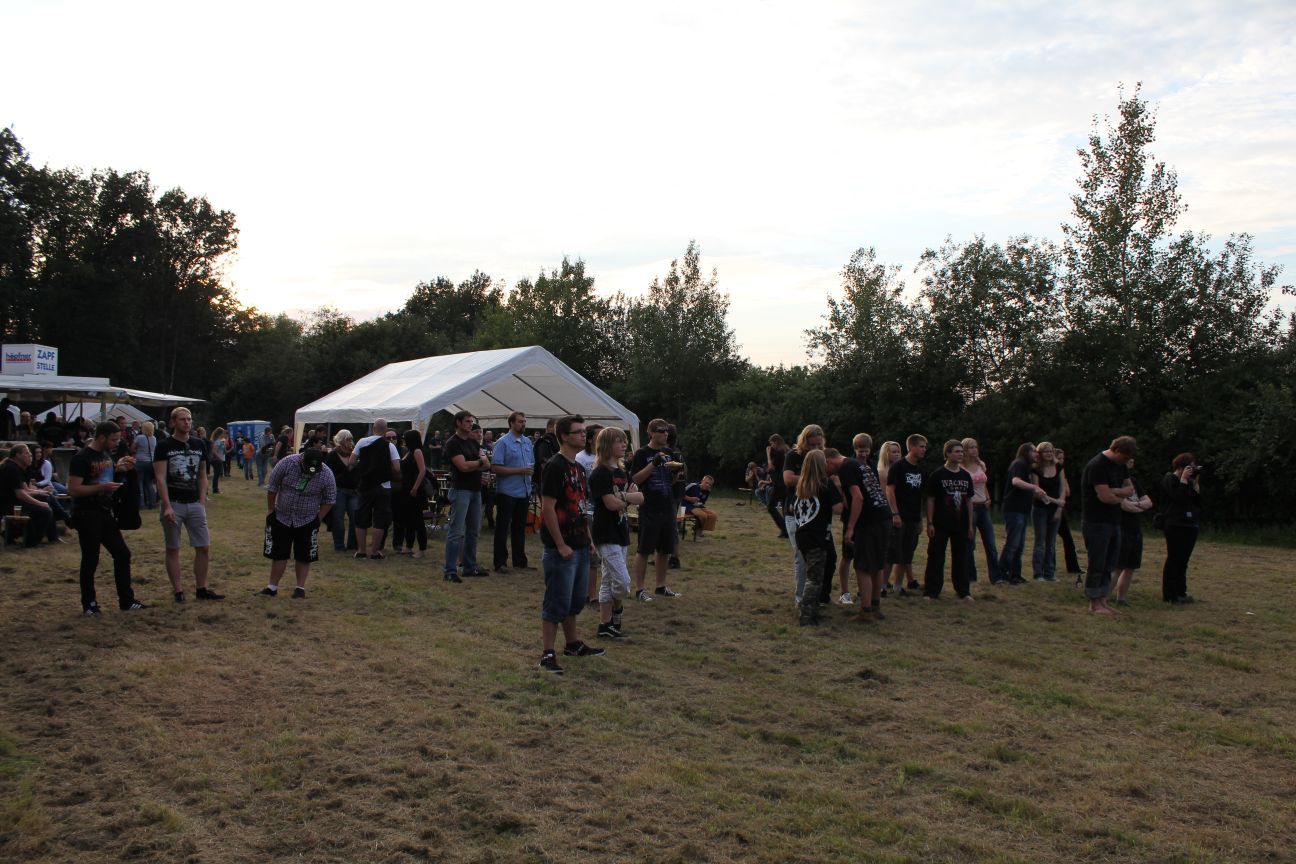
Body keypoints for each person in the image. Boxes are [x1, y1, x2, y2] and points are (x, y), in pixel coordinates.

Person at [537, 415, 605, 673]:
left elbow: (579, 506)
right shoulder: (555, 467)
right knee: (556, 600)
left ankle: (572, 643)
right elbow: (548, 508)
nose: (583, 435)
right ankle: (547, 654)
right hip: (561, 547)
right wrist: (560, 544)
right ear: (564, 436)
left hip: (580, 543)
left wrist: (588, 539)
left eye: (584, 431)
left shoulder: (578, 468)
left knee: (575, 600)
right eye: (578, 432)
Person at [68, 422, 148, 614]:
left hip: (105, 512)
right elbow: (74, 489)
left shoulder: (105, 455)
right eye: (113, 439)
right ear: (101, 437)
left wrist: (119, 468)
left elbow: (105, 475)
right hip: (87, 513)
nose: (116, 443)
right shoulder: (81, 458)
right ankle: (89, 603)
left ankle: (127, 601)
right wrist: (101, 488)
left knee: (122, 553)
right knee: (91, 559)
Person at [154, 407, 223, 603]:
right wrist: (167, 505)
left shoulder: (198, 444)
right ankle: (178, 591)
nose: (187, 422)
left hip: (194, 503)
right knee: (173, 548)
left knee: (203, 547)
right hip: (174, 503)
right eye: (182, 419)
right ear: (173, 422)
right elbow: (160, 478)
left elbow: (202, 474)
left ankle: (201, 589)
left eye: (189, 419)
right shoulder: (164, 445)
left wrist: (201, 500)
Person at [259, 443, 336, 599]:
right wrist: (271, 510)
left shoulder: (326, 474)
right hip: (282, 517)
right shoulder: (287, 463)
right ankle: (272, 587)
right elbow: (273, 487)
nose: (310, 473)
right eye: (307, 469)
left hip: (308, 519)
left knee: (304, 555)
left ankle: (300, 588)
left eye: (314, 470)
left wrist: (318, 518)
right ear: (302, 461)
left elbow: (330, 499)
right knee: (279, 553)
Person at [589, 427, 643, 640]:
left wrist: (622, 496)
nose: (624, 444)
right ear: (607, 445)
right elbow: (610, 504)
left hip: (621, 531)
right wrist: (627, 496)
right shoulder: (600, 473)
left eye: (625, 441)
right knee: (622, 582)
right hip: (605, 532)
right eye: (619, 441)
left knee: (608, 580)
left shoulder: (623, 472)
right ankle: (616, 610)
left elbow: (641, 497)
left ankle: (605, 624)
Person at [835, 437, 893, 621]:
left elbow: (857, 498)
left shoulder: (846, 467)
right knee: (877, 564)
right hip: (884, 516)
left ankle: (866, 611)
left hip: (868, 521)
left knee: (863, 567)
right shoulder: (863, 466)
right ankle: (875, 606)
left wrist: (850, 527)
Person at [1080, 435, 1138, 616]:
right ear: (1117, 450)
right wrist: (1119, 494)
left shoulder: (1121, 465)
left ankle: (1103, 601)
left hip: (1114, 521)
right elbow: (1105, 498)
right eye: (1125, 457)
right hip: (1096, 522)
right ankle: (1094, 603)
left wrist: (1114, 491)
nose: (1126, 461)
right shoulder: (1097, 466)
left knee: (1110, 564)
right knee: (1097, 563)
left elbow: (1130, 489)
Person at [631, 419, 684, 601]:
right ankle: (640, 589)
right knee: (644, 549)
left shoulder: (669, 453)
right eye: (661, 431)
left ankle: (661, 586)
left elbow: (671, 481)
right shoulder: (642, 453)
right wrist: (653, 463)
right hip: (649, 506)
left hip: (667, 505)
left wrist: (676, 473)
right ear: (651, 433)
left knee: (665, 549)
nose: (665, 434)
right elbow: (636, 479)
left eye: (667, 431)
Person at [791, 450, 842, 627]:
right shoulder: (826, 484)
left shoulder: (802, 484)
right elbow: (838, 508)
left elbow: (792, 508)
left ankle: (813, 610)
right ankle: (806, 615)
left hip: (803, 535)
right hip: (818, 537)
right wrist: (839, 487)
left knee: (814, 574)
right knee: (814, 578)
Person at [923, 440, 975, 602]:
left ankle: (963, 591)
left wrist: (970, 525)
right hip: (940, 523)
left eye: (961, 451)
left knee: (961, 557)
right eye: (957, 451)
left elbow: (969, 501)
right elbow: (930, 499)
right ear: (947, 453)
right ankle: (931, 592)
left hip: (961, 524)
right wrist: (930, 522)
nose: (960, 454)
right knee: (936, 556)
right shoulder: (938, 475)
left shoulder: (965, 476)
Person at [443, 410, 490, 581]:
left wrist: (476, 463)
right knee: (456, 531)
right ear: (458, 423)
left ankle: (470, 566)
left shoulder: (473, 443)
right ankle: (450, 570)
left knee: (473, 531)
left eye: (471, 421)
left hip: (475, 490)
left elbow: (487, 465)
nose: (471, 424)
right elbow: (462, 466)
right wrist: (479, 462)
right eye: (467, 421)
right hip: (461, 490)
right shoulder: (453, 443)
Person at [491, 411, 535, 573]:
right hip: (507, 492)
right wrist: (519, 470)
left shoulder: (527, 442)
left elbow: (532, 464)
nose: (523, 424)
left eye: (524, 421)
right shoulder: (503, 443)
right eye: (520, 421)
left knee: (519, 527)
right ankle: (500, 562)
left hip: (524, 491)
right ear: (511, 423)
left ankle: (520, 561)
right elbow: (495, 468)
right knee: (502, 528)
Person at [997, 442, 1046, 586]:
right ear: (1026, 452)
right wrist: (1034, 487)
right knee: (1013, 544)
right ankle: (1002, 573)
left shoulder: (1027, 467)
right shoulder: (1019, 464)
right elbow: (1016, 481)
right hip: (1014, 509)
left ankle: (1015, 575)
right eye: (1034, 451)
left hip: (1022, 510)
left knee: (1019, 545)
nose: (1036, 454)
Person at [885, 434, 928, 596]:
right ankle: (882, 586)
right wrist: (895, 513)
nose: (924, 450)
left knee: (907, 554)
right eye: (921, 446)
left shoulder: (919, 469)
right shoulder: (898, 466)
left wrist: (920, 519)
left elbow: (919, 496)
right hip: (899, 517)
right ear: (911, 447)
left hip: (913, 518)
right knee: (892, 553)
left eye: (925, 447)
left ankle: (898, 586)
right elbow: (890, 490)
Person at [352, 419, 400, 560]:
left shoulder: (362, 442)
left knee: (361, 517)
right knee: (380, 519)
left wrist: (364, 467)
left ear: (373, 428)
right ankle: (375, 552)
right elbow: (397, 468)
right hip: (383, 486)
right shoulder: (389, 446)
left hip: (365, 485)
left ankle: (361, 551)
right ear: (386, 430)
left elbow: (351, 461)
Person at [1160, 453, 1202, 604]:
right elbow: (1178, 498)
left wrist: (1195, 485)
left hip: (1190, 524)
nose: (1192, 471)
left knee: (1184, 560)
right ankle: (1169, 594)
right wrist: (1183, 480)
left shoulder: (1190, 482)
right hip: (1175, 524)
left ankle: (1180, 591)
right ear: (1181, 467)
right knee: (1174, 558)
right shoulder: (1170, 479)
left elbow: (1196, 502)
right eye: (1189, 467)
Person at [1114, 458, 1153, 605]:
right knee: (1118, 566)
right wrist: (1139, 506)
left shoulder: (1134, 481)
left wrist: (1136, 505)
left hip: (1135, 528)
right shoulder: (1115, 481)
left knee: (1131, 567)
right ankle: (1103, 598)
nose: (1132, 460)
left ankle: (1121, 598)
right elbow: (1125, 506)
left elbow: (1149, 502)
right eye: (1128, 458)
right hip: (1121, 527)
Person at [961, 437, 999, 585]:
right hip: (970, 508)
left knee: (990, 543)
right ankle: (971, 576)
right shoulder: (961, 467)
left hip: (983, 507)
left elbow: (983, 484)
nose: (974, 450)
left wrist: (988, 497)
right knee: (970, 544)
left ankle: (996, 577)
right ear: (965, 450)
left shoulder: (981, 464)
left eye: (975, 447)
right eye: (971, 447)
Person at [1, 444, 54, 547]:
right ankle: (31, 542)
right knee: (45, 511)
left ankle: (52, 536)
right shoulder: (11, 468)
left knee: (46, 500)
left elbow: (24, 491)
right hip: (9, 505)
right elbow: (20, 494)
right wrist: (40, 503)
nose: (30, 455)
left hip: (14, 502)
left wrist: (40, 495)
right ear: (18, 455)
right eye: (27, 453)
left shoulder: (13, 466)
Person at [1030, 442, 1068, 582]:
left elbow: (1062, 489)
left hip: (1055, 509)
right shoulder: (1035, 469)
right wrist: (1056, 501)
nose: (1049, 453)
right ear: (1040, 454)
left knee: (1051, 543)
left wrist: (1059, 508)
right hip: (1040, 509)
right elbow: (1037, 492)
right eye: (1046, 451)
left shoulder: (1059, 467)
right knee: (1040, 542)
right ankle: (1038, 573)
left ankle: (1050, 573)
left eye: (1051, 451)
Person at [575, 423, 602, 604]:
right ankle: (590, 595)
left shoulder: (604, 457)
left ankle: (591, 592)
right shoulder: (581, 458)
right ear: (591, 439)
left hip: (603, 510)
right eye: (600, 435)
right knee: (590, 554)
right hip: (587, 509)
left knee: (597, 555)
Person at [393, 429, 428, 559]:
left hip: (415, 489)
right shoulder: (408, 452)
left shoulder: (417, 451)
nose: (403, 439)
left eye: (405, 437)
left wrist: (415, 487)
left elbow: (422, 470)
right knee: (408, 519)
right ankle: (409, 546)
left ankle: (422, 549)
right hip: (405, 489)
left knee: (418, 520)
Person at [325, 429, 360, 552]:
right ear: (340, 440)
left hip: (353, 491)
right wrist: (348, 469)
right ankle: (339, 545)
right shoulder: (332, 455)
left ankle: (352, 544)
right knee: (338, 518)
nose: (350, 442)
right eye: (347, 439)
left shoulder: (355, 454)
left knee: (355, 517)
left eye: (351, 439)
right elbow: (329, 474)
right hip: (338, 490)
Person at [1054, 449, 1084, 580]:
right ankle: (1048, 567)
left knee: (1068, 539)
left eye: (1062, 458)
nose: (1061, 461)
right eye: (1059, 458)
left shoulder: (1061, 472)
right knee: (1049, 540)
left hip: (1060, 509)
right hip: (1050, 508)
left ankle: (1073, 567)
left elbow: (1067, 491)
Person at [766, 434, 789, 537]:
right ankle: (787, 530)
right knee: (785, 508)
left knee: (771, 506)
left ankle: (784, 529)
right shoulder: (786, 451)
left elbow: (771, 467)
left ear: (776, 442)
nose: (771, 446)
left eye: (772, 443)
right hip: (786, 483)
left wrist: (768, 454)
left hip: (779, 484)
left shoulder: (779, 452)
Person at [133, 421, 158, 508]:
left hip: (140, 461)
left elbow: (132, 448)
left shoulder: (139, 437)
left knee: (139, 483)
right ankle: (152, 503)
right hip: (150, 462)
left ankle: (141, 504)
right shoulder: (154, 438)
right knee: (149, 483)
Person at [208, 427, 227, 494]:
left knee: (218, 475)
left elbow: (224, 451)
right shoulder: (217, 441)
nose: (224, 434)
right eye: (223, 433)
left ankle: (217, 488)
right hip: (216, 460)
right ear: (220, 434)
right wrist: (219, 458)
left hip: (219, 459)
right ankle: (215, 489)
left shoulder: (221, 441)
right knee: (217, 475)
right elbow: (214, 451)